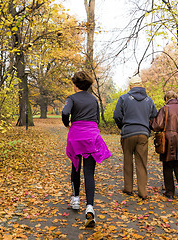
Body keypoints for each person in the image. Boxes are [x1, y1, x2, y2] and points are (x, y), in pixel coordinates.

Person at [62, 71, 111, 227]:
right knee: (89, 172)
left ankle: (76, 199)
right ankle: (90, 207)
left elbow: (65, 112)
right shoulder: (93, 100)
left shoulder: (72, 98)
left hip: (76, 134)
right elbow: (96, 119)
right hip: (91, 134)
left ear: (75, 85)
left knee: (76, 166)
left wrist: (67, 124)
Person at [113, 75, 157, 200]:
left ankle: (128, 188)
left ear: (130, 86)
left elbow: (117, 115)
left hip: (127, 133)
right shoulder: (149, 100)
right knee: (142, 163)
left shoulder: (123, 98)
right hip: (143, 133)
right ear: (141, 85)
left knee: (128, 161)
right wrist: (147, 127)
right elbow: (155, 116)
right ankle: (142, 192)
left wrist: (122, 126)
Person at [151, 90, 178, 200]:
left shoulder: (164, 109)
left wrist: (150, 121)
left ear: (166, 99)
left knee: (167, 165)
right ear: (176, 98)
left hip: (168, 141)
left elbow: (157, 126)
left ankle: (170, 191)